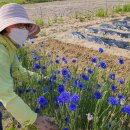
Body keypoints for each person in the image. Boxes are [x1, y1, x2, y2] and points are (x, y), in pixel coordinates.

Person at [0, 3, 58, 130]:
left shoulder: (8, 46)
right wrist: (36, 120)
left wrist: (43, 80)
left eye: (25, 25)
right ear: (5, 27)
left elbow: (17, 71)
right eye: (18, 24)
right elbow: (5, 94)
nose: (23, 29)